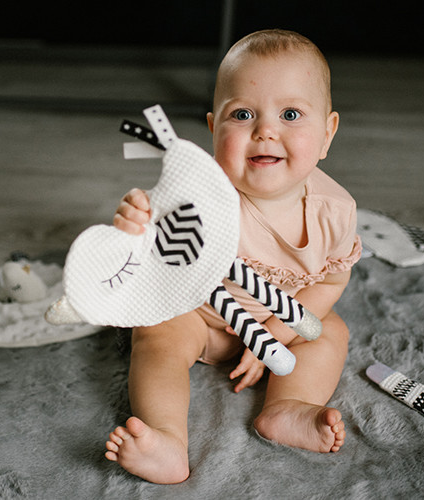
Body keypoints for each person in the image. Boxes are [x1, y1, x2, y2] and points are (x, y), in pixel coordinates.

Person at [105, 29, 361, 484]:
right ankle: (166, 438)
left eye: (290, 114)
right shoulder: (202, 197)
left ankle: (287, 407)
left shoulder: (336, 212)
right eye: (242, 114)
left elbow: (329, 283)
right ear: (213, 129)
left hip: (278, 322)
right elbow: (154, 247)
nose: (265, 130)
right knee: (157, 333)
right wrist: (134, 225)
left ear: (327, 133)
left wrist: (272, 339)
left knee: (329, 332)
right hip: (200, 319)